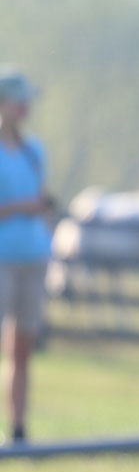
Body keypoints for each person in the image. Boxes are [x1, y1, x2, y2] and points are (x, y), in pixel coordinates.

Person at [0, 68, 53, 445]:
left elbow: (43, 200)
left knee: (22, 347)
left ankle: (17, 429)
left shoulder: (34, 151)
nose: (26, 107)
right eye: (20, 101)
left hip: (33, 258)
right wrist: (24, 206)